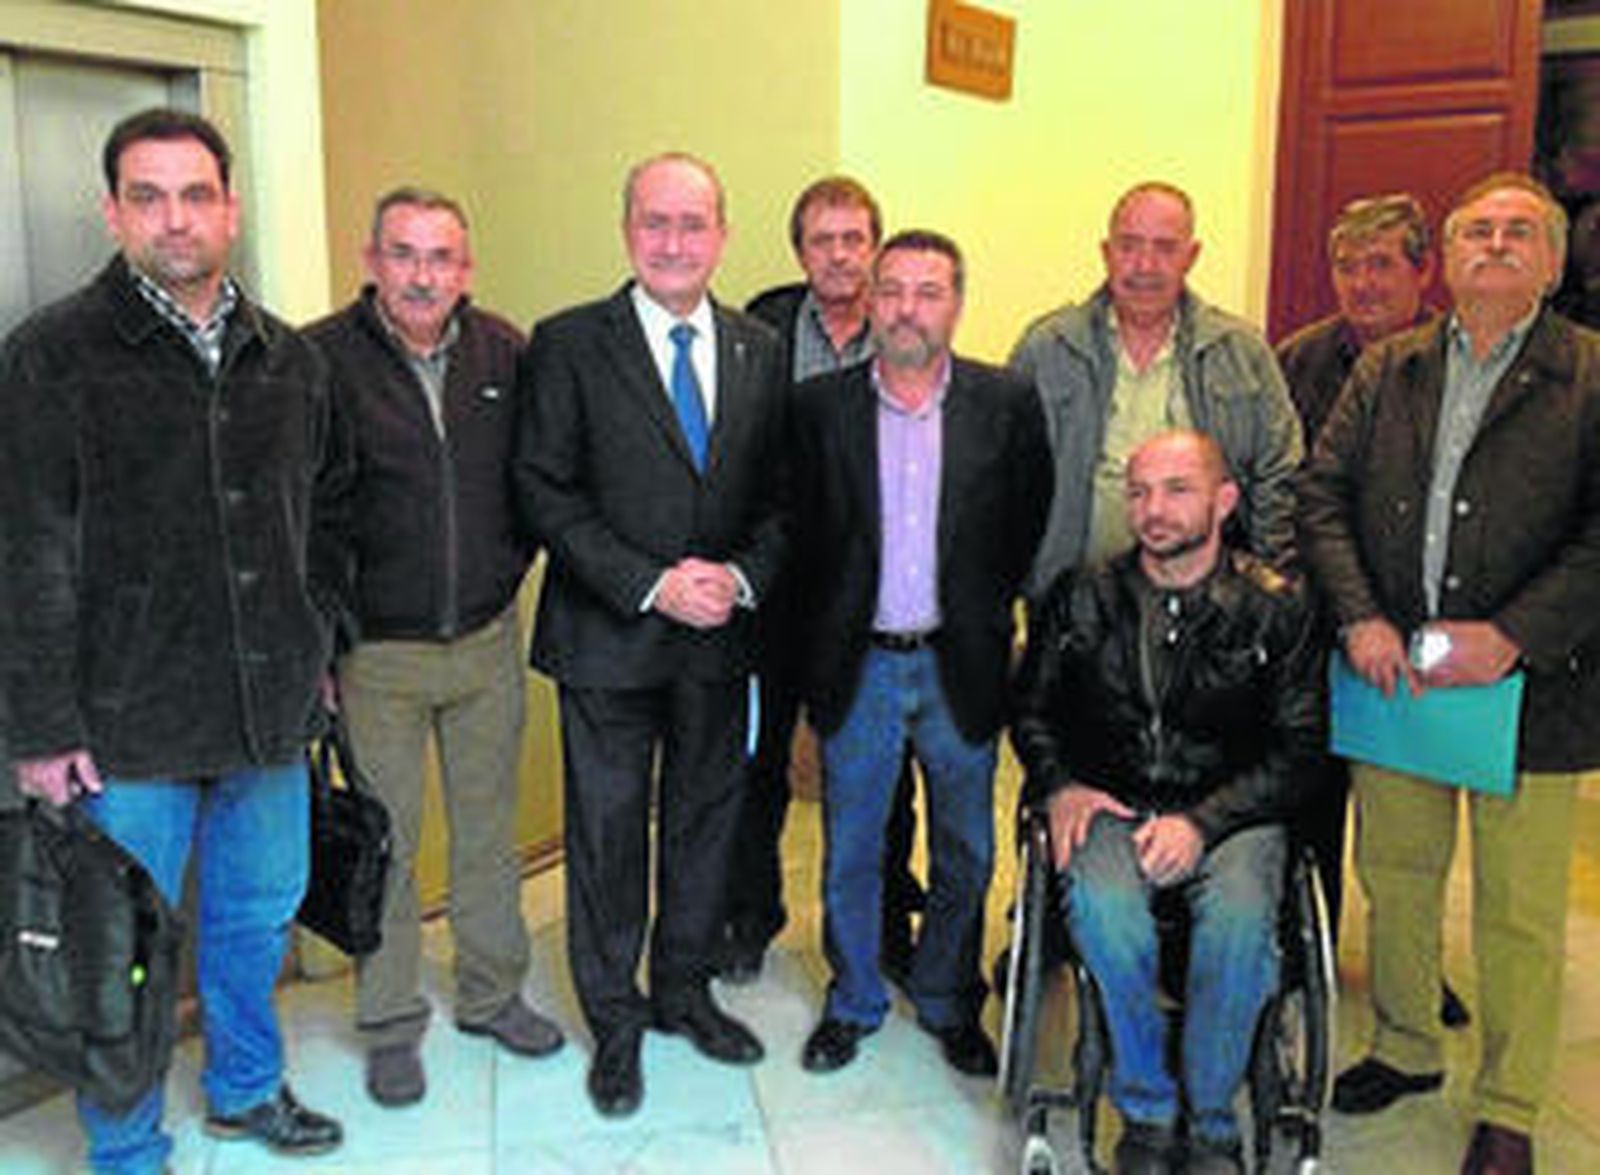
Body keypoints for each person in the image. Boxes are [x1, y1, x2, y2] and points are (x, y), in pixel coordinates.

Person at [0, 107, 347, 1171]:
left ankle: (243, 1088)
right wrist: (42, 727)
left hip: (265, 714)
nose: (175, 218)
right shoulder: (50, 357)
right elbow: (24, 554)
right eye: (147, 196)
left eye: (196, 194)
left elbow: (323, 516)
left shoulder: (286, 357)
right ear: (113, 211)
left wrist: (319, 645)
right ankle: (126, 1143)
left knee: (253, 921)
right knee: (122, 951)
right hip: (123, 725)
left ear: (230, 208)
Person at [1300, 172, 1600, 1175]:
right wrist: (1360, 616)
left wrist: (1512, 633)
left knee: (1516, 904)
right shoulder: (1388, 366)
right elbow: (1322, 495)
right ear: (1452, 254)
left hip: (1532, 689)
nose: (1497, 245)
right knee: (1397, 873)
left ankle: (1509, 1100)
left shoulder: (1590, 375)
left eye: (1521, 232)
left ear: (1553, 263)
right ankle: (1404, 1043)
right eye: (1479, 229)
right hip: (1398, 675)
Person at [514, 153, 787, 1118]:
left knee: (708, 826)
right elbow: (543, 488)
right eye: (655, 222)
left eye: (694, 223)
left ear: (722, 233)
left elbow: (783, 498)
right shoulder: (568, 341)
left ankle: (681, 990)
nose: (675, 242)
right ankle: (617, 1019)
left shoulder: (762, 347)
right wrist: (650, 583)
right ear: (628, 230)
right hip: (608, 639)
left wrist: (744, 577)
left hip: (720, 642)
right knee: (606, 836)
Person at [306, 187, 563, 1108]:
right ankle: (388, 1022)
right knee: (389, 841)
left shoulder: (506, 352)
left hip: (488, 636)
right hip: (377, 653)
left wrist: (506, 568)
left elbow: (537, 480)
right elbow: (304, 516)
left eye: (442, 257)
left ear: (467, 269)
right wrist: (323, 644)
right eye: (405, 254)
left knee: (489, 834)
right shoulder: (320, 360)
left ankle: (494, 993)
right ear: (372, 260)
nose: (423, 274)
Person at [1013, 430, 1323, 1175]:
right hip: (1112, 800)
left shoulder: (1277, 609)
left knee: (1244, 918)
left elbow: (1303, 747)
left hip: (1235, 808)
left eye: (1178, 489)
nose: (1154, 509)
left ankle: (1212, 1117)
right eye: (1141, 490)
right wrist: (1060, 783)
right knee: (1104, 907)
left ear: (1224, 500)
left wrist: (1203, 821)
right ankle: (1147, 1105)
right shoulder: (1083, 593)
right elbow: (1031, 711)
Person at [791, 230, 1051, 1078]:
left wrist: (981, 607)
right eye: (892, 289)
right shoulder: (820, 407)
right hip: (856, 663)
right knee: (854, 845)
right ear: (871, 298)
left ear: (957, 303)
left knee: (966, 845)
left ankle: (946, 996)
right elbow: (802, 536)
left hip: (959, 660)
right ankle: (856, 996)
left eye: (927, 291)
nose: (907, 307)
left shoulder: (1005, 401)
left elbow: (1026, 518)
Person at [1276, 192, 1471, 1029]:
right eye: (1347, 266)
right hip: (1322, 621)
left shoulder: (1455, 360)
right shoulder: (1295, 361)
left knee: (1410, 825)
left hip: (1422, 632)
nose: (1362, 282)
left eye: (1382, 263)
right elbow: (1286, 490)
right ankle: (1301, 951)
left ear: (1422, 271)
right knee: (1310, 803)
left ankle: (1412, 972)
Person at [724, 175, 924, 985]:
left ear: (875, 247)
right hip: (774, 586)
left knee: (881, 769)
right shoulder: (758, 328)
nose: (839, 255)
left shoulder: (909, 329)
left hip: (877, 593)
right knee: (754, 764)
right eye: (821, 240)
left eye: (853, 239)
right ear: (798, 250)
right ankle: (748, 916)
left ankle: (880, 925)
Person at [1010, 181, 1302, 599]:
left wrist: (1260, 582)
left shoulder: (1240, 352)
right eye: (1129, 246)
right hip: (1073, 603)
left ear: (1192, 256)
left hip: (1209, 607)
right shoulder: (1048, 348)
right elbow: (1008, 481)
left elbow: (1281, 471)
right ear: (1106, 253)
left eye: (1165, 248)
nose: (1145, 265)